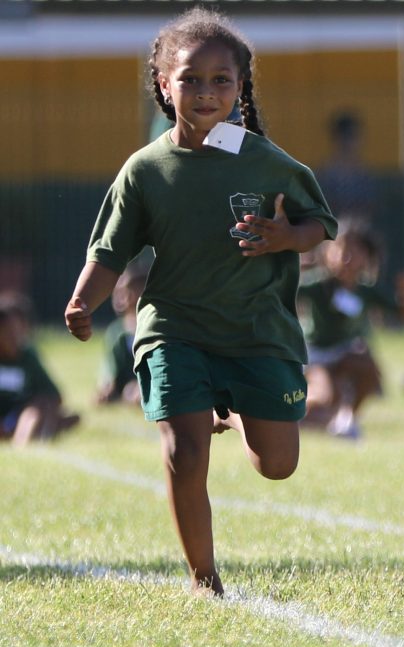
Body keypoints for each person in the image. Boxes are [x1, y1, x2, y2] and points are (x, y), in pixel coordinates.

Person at [64, 8, 337, 595]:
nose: (206, 91)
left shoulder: (266, 161)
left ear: (241, 87)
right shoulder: (144, 170)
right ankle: (204, 578)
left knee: (277, 463)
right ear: (164, 84)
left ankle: (235, 406)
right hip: (174, 329)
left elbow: (320, 223)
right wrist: (83, 300)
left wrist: (286, 238)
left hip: (257, 331)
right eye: (190, 78)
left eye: (221, 79)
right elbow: (110, 250)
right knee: (184, 454)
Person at [297, 224, 404, 439]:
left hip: (344, 355)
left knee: (368, 366)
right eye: (340, 249)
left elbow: (402, 315)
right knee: (323, 399)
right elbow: (287, 290)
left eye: (353, 251)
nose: (346, 257)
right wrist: (293, 268)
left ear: (366, 257)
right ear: (328, 254)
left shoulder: (366, 290)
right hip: (316, 356)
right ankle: (304, 418)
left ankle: (348, 419)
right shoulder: (318, 284)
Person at [0, 297, 79, 446]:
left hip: (18, 417)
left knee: (39, 407)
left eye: (20, 330)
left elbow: (54, 395)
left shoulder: (27, 356)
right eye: (9, 332)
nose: (16, 337)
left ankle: (23, 443)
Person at [95, 260, 148, 405]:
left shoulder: (155, 328)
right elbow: (110, 367)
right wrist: (107, 386)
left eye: (127, 290)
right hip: (127, 388)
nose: (120, 297)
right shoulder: (116, 332)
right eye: (118, 291)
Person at [316, 111, 376, 227]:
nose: (349, 143)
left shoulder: (364, 175)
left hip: (359, 233)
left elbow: (370, 209)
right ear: (336, 139)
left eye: (353, 136)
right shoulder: (325, 176)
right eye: (345, 137)